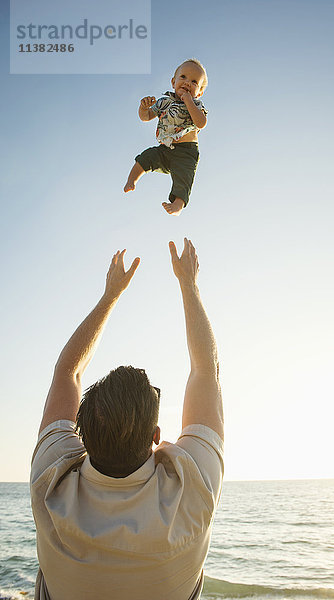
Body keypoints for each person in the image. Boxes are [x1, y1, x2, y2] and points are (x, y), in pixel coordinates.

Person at [30, 239, 223, 600]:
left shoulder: (50, 487)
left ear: (82, 436)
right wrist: (189, 284)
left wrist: (110, 295)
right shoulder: (193, 497)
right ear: (156, 435)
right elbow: (206, 371)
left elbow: (67, 372)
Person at [123, 59, 208, 216]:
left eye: (194, 81)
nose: (187, 83)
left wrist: (188, 101)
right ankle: (132, 180)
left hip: (186, 152)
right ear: (173, 81)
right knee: (147, 156)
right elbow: (146, 116)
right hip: (165, 149)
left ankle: (178, 204)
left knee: (184, 177)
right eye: (183, 77)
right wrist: (143, 108)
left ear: (200, 92)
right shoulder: (164, 102)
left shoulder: (196, 105)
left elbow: (201, 123)